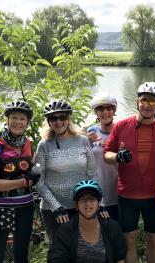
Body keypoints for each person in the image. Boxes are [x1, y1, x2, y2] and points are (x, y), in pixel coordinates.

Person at [104, 82, 155, 263]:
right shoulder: (120, 126)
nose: (147, 105)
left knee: (154, 238)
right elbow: (106, 154)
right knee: (130, 238)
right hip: (127, 194)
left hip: (154, 196)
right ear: (137, 102)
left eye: (152, 102)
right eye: (144, 100)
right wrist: (117, 157)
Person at [0, 100, 39, 263]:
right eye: (13, 117)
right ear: (6, 120)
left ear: (27, 122)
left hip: (25, 206)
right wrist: (23, 182)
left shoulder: (28, 143)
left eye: (22, 119)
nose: (17, 122)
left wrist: (34, 173)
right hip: (1, 206)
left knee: (21, 255)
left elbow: (29, 169)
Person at [35, 99, 97, 241]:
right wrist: (56, 206)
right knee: (59, 251)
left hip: (81, 206)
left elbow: (92, 174)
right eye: (53, 118)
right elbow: (39, 181)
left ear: (68, 119)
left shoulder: (82, 141)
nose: (58, 122)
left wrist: (95, 201)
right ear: (48, 122)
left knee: (82, 249)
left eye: (62, 117)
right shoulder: (44, 145)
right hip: (53, 209)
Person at [48, 180, 127, 263]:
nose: (88, 203)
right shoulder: (65, 231)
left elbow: (120, 258)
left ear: (99, 203)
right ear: (76, 205)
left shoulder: (112, 227)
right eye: (83, 199)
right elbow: (56, 258)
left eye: (92, 199)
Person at [87, 93, 119, 220]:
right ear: (96, 112)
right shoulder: (90, 132)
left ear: (114, 110)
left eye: (109, 108)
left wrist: (104, 144)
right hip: (98, 190)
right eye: (101, 109)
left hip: (118, 191)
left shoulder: (121, 131)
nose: (105, 112)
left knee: (118, 231)